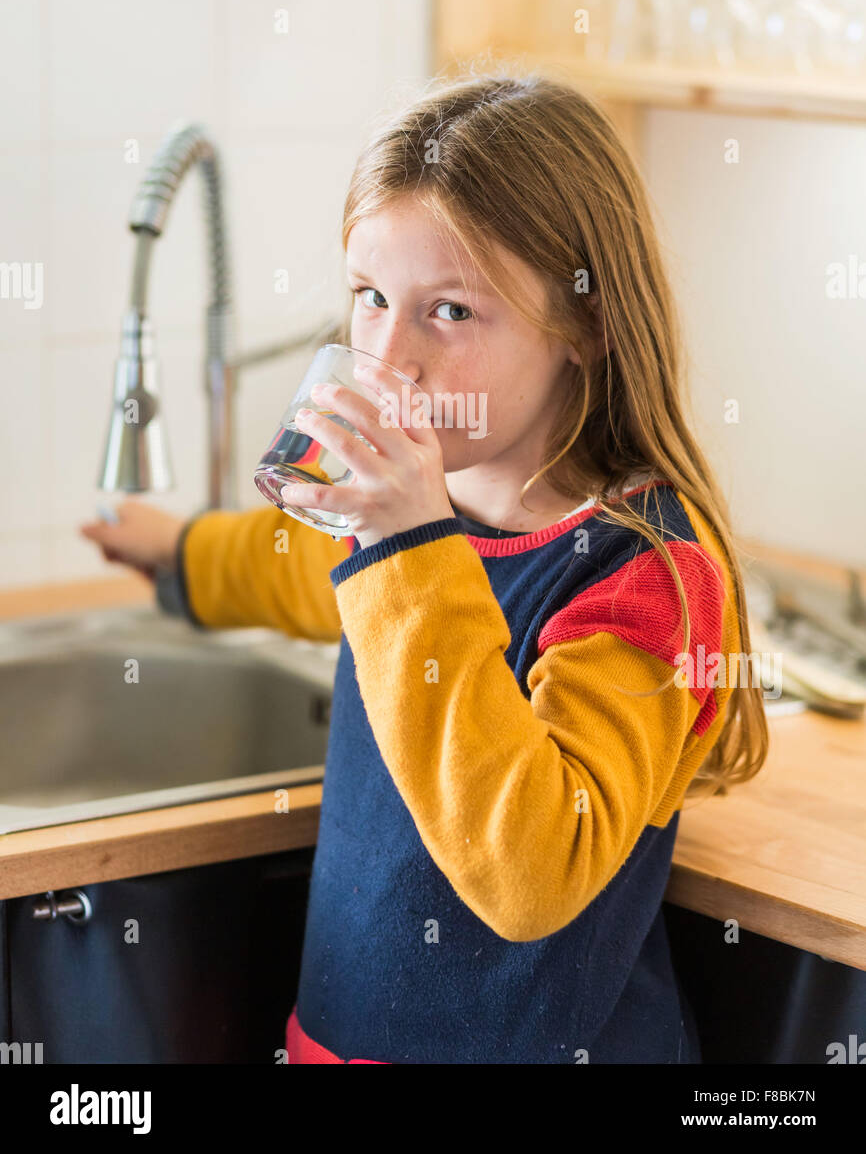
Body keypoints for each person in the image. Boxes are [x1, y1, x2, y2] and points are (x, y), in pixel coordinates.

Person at [80, 69, 769, 1064]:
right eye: (369, 298)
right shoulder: (420, 513)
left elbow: (534, 870)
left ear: (583, 322)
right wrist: (175, 551)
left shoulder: (643, 576)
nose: (386, 358)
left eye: (448, 311)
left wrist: (403, 544)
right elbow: (290, 565)